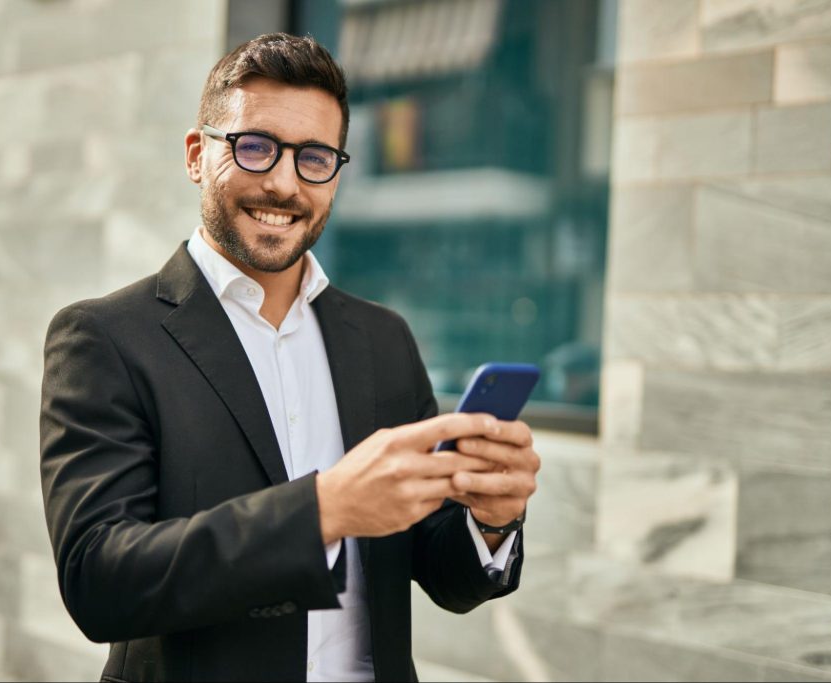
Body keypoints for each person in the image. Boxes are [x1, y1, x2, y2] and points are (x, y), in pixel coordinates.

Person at [40, 33, 540, 683]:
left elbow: (441, 571)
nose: (283, 183)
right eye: (254, 147)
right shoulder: (105, 337)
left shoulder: (383, 338)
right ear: (197, 155)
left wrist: (490, 522)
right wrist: (326, 508)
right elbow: (99, 579)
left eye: (314, 157)